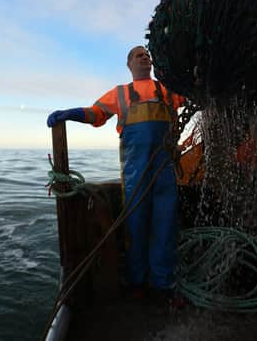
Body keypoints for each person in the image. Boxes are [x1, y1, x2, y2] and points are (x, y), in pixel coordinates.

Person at [46, 45, 186, 300]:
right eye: (138, 54)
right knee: (136, 223)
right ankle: (137, 283)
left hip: (165, 171)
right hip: (136, 173)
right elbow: (95, 113)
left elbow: (192, 96)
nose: (144, 57)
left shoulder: (168, 89)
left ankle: (163, 284)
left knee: (165, 225)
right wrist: (69, 114)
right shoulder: (120, 93)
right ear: (129, 64)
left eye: (147, 54)